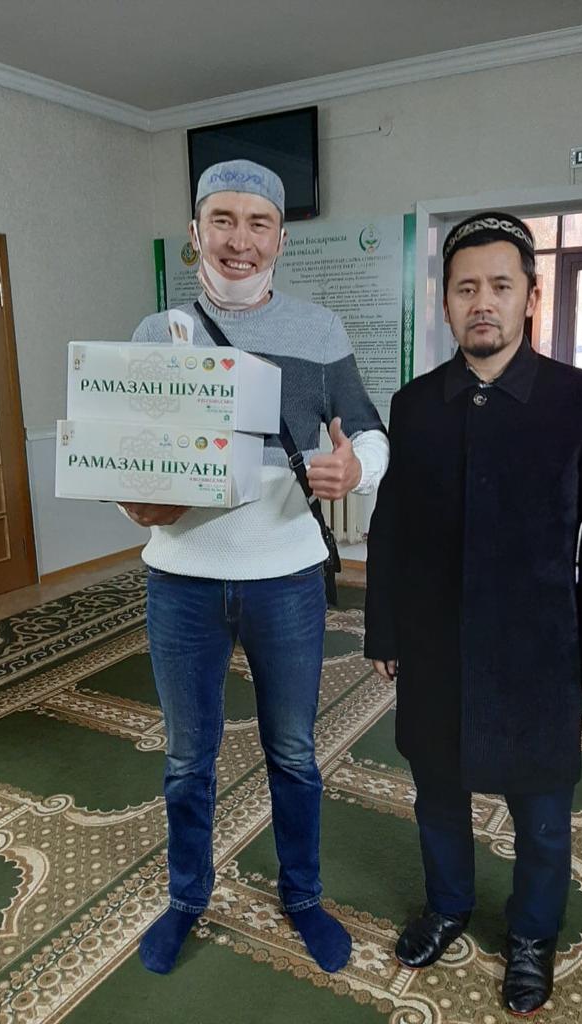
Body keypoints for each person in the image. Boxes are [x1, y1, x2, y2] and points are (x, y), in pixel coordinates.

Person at [122, 159, 389, 975]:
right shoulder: (155, 334)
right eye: (223, 220)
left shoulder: (320, 330)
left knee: (295, 753)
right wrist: (133, 504)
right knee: (186, 759)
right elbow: (127, 453)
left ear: (280, 238)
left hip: (287, 579)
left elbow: (368, 429)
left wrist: (357, 470)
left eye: (258, 223)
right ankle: (186, 898)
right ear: (195, 233)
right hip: (181, 579)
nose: (240, 240)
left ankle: (302, 896)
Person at [364, 212, 582, 1015]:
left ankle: (532, 934)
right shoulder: (415, 405)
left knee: (543, 811)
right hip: (435, 642)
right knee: (437, 793)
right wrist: (385, 628)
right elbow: (392, 528)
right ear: (446, 302)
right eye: (466, 288)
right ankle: (448, 905)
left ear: (530, 298)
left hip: (537, 647)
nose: (482, 302)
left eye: (500, 286)